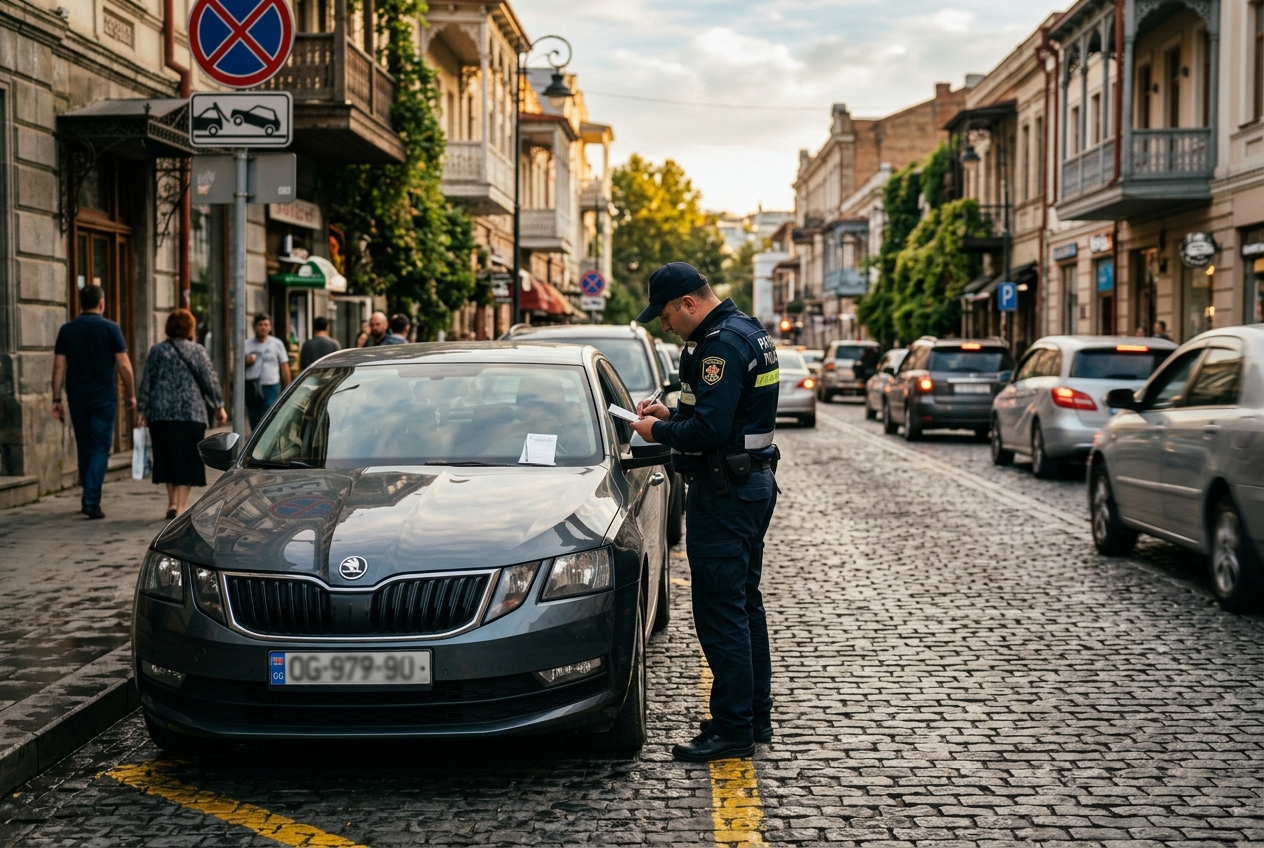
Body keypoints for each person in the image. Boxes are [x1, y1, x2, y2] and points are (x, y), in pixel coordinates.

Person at [628, 262, 780, 763]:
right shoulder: (748, 333)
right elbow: (723, 415)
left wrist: (658, 433)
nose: (666, 326)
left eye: (668, 315)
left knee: (720, 612)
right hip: (750, 484)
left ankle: (733, 729)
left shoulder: (718, 345)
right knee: (743, 603)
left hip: (725, 491)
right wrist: (672, 415)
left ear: (689, 303)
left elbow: (710, 432)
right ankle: (754, 714)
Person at [52, 284, 136, 520]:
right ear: (101, 303)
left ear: (81, 304)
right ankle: (91, 499)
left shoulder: (67, 330)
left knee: (85, 445)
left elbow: (59, 366)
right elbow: (124, 365)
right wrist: (130, 394)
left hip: (77, 397)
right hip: (104, 397)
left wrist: (56, 399)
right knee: (100, 448)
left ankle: (88, 494)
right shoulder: (111, 329)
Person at [137, 309, 227, 519]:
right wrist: (219, 405)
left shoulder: (157, 351)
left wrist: (142, 409)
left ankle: (171, 503)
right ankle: (181, 506)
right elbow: (209, 379)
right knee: (186, 459)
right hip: (190, 414)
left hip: (161, 414)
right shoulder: (197, 351)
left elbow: (146, 382)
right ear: (189, 328)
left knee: (166, 457)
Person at [244, 313, 290, 430]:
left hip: (271, 387)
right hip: (252, 387)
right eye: (260, 325)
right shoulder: (246, 345)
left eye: (266, 324)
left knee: (269, 418)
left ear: (270, 327)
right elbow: (237, 368)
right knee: (254, 419)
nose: (263, 327)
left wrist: (288, 388)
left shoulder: (277, 344)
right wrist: (246, 362)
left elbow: (284, 366)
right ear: (254, 327)